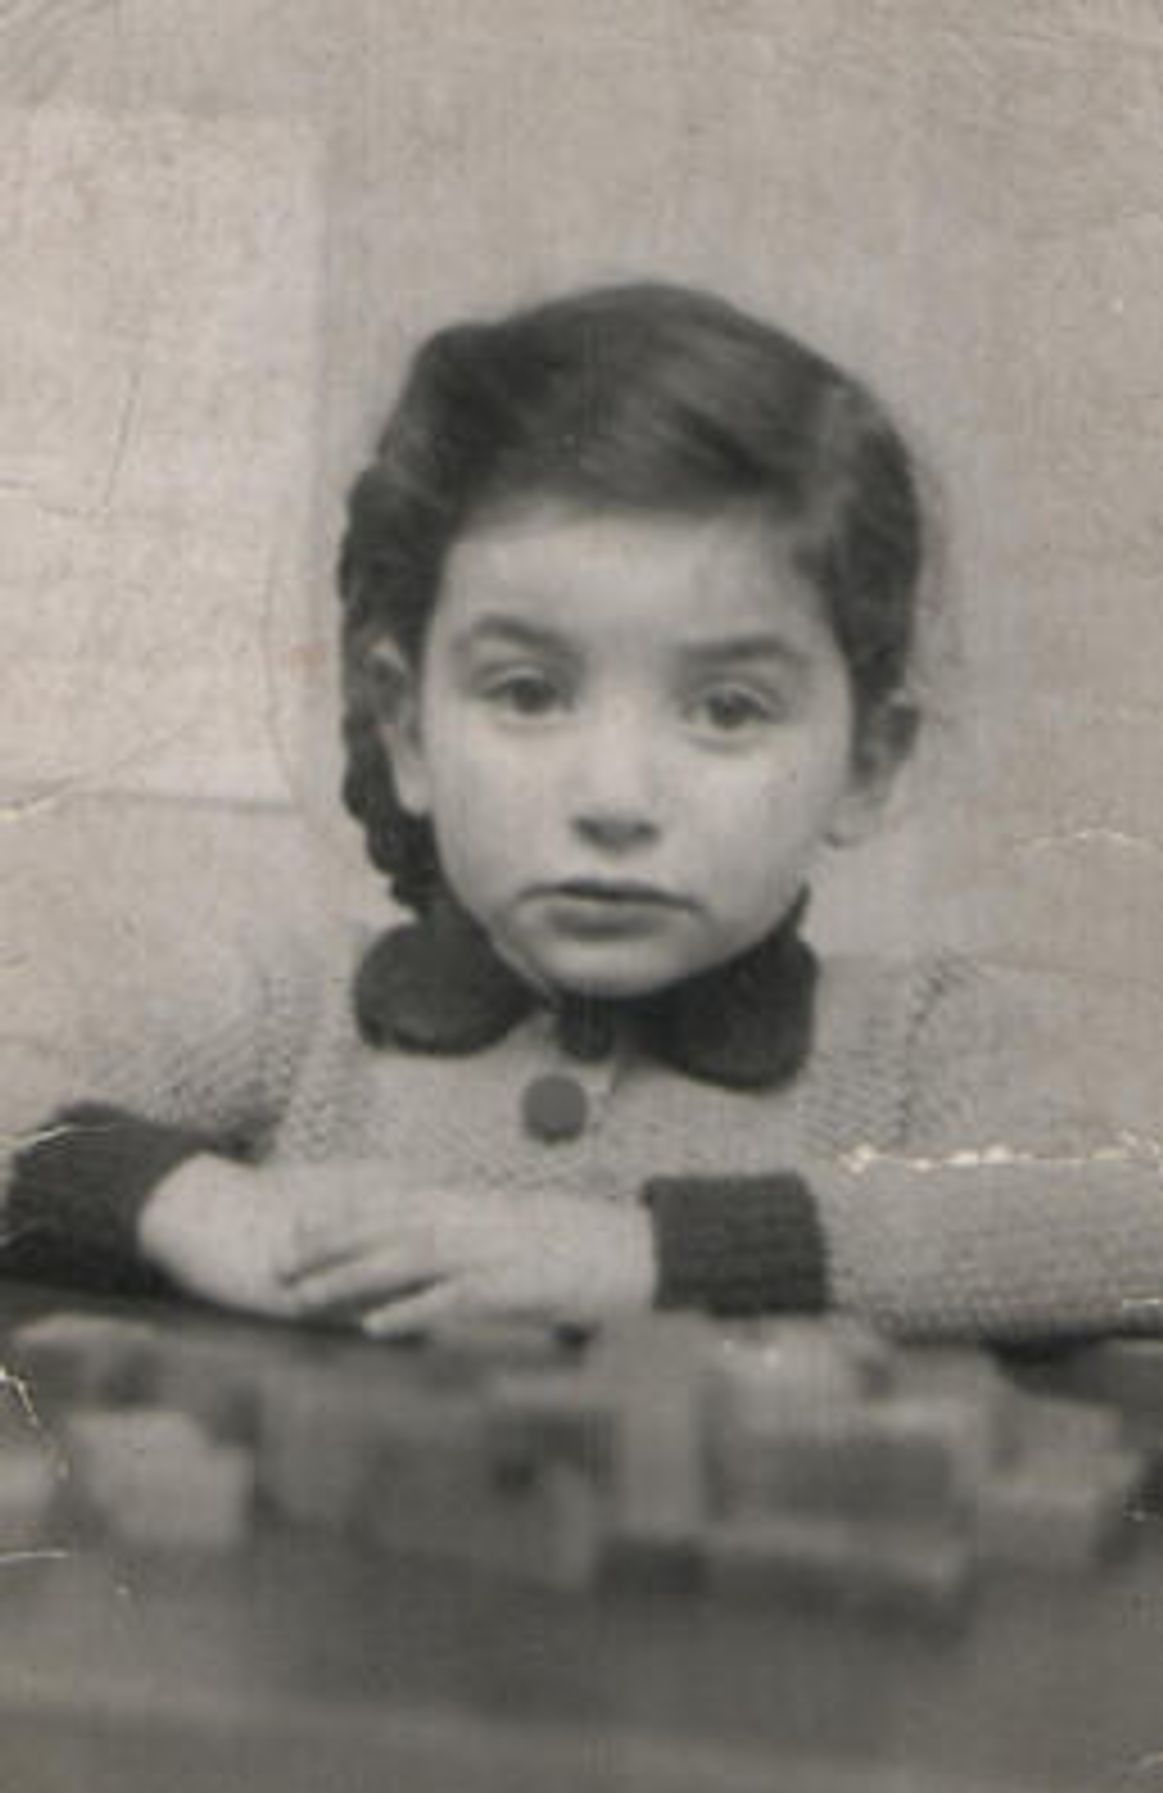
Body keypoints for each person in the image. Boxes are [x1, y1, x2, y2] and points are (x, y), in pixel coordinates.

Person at [4, 281, 1161, 1345]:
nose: (614, 799)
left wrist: (653, 1254)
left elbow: (1120, 1223)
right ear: (408, 729)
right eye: (526, 692)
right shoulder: (293, 1017)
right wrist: (188, 1203)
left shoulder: (916, 1046)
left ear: (865, 760)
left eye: (725, 708)